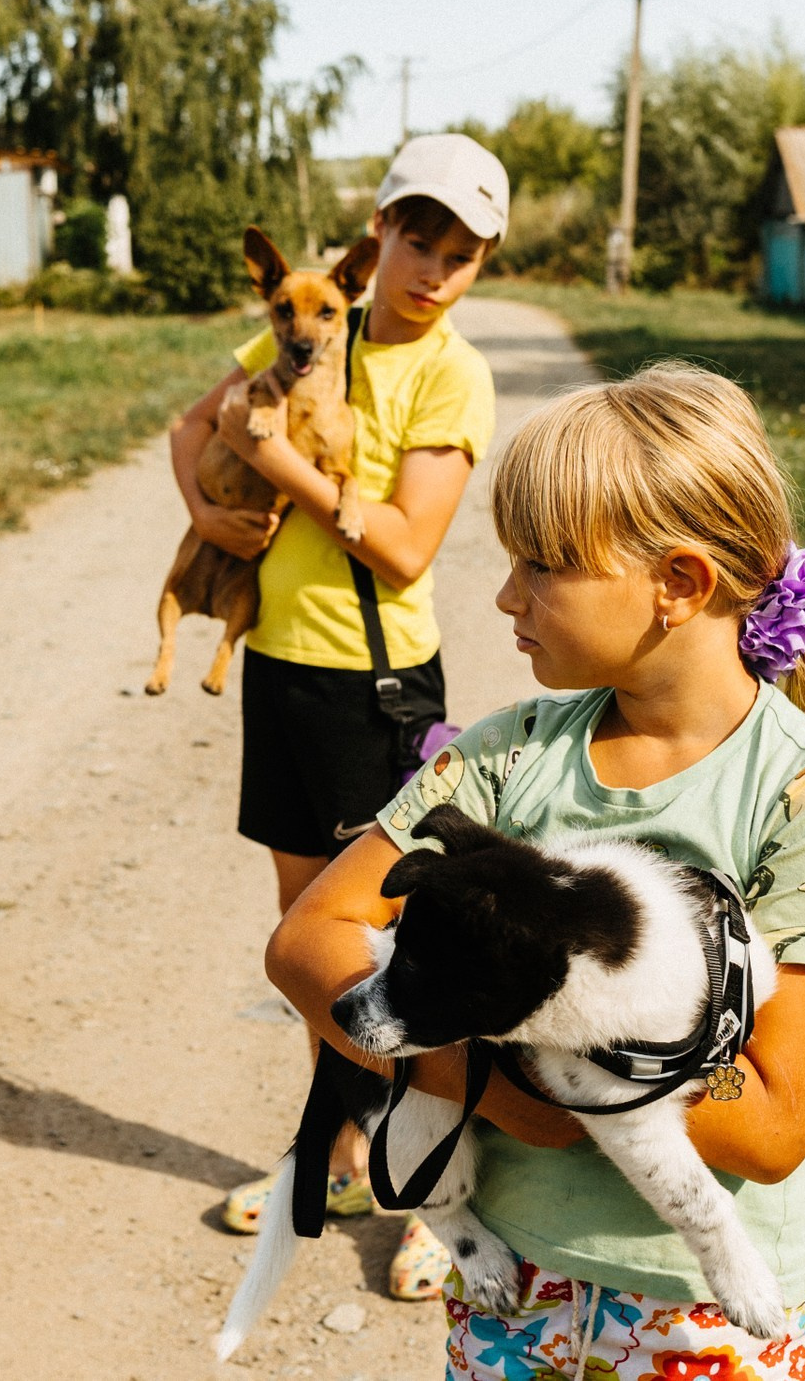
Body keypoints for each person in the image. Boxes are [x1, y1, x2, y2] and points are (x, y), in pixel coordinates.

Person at [267, 361, 805, 1379]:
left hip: (700, 1312)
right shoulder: (504, 753)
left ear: (679, 583)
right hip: (514, 1283)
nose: (504, 594)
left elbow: (777, 1122)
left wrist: (530, 1070)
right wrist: (492, 1085)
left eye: (543, 566)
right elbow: (309, 941)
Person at [169, 133, 504, 1299]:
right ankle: (346, 1153)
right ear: (380, 238)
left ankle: (438, 1195)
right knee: (313, 949)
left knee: (406, 949)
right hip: (285, 671)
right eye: (419, 239)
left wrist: (283, 466)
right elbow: (188, 430)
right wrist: (209, 524)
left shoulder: (451, 376)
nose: (434, 268)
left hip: (381, 685)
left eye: (461, 253)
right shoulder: (313, 326)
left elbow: (405, 547)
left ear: (479, 265)